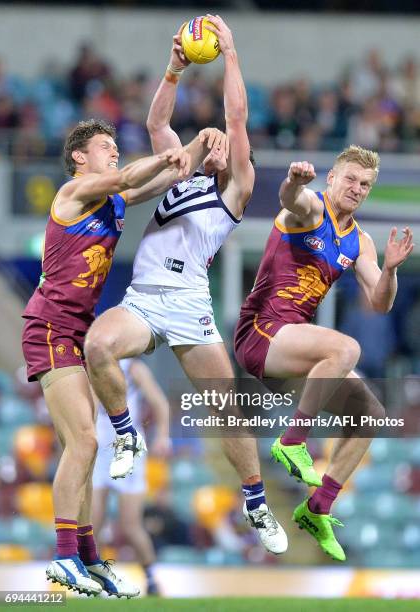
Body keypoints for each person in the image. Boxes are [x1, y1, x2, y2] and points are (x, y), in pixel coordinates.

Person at [85, 15, 288, 556]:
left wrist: (232, 55)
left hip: (190, 304)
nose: (223, 146)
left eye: (232, 149)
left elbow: (236, 116)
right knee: (97, 345)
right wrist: (174, 70)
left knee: (226, 411)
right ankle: (126, 432)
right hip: (145, 298)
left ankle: (256, 502)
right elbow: (157, 125)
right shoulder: (185, 173)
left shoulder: (235, 193)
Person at [21, 117, 222, 596]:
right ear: (79, 158)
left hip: (76, 331)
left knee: (86, 447)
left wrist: (198, 152)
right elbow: (133, 176)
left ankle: (87, 558)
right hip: (51, 327)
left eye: (115, 147)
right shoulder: (74, 193)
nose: (114, 152)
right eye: (106, 147)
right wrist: (188, 143)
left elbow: (163, 179)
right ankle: (65, 557)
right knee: (86, 444)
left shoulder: (108, 200)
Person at [234, 145, 414, 561]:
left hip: (294, 349)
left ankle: (318, 508)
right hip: (261, 334)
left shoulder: (361, 240)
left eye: (365, 185)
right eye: (350, 179)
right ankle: (293, 440)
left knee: (371, 416)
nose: (357, 188)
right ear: (331, 178)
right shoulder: (312, 207)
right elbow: (289, 200)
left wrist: (389, 270)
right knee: (346, 347)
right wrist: (295, 181)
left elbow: (381, 302)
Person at [92, 358, 170, 595]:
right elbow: (91, 408)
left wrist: (162, 436)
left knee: (130, 525)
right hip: (99, 449)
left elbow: (160, 403)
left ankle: (151, 577)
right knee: (92, 524)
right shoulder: (91, 364)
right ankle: (95, 579)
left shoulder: (133, 368)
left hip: (128, 450)